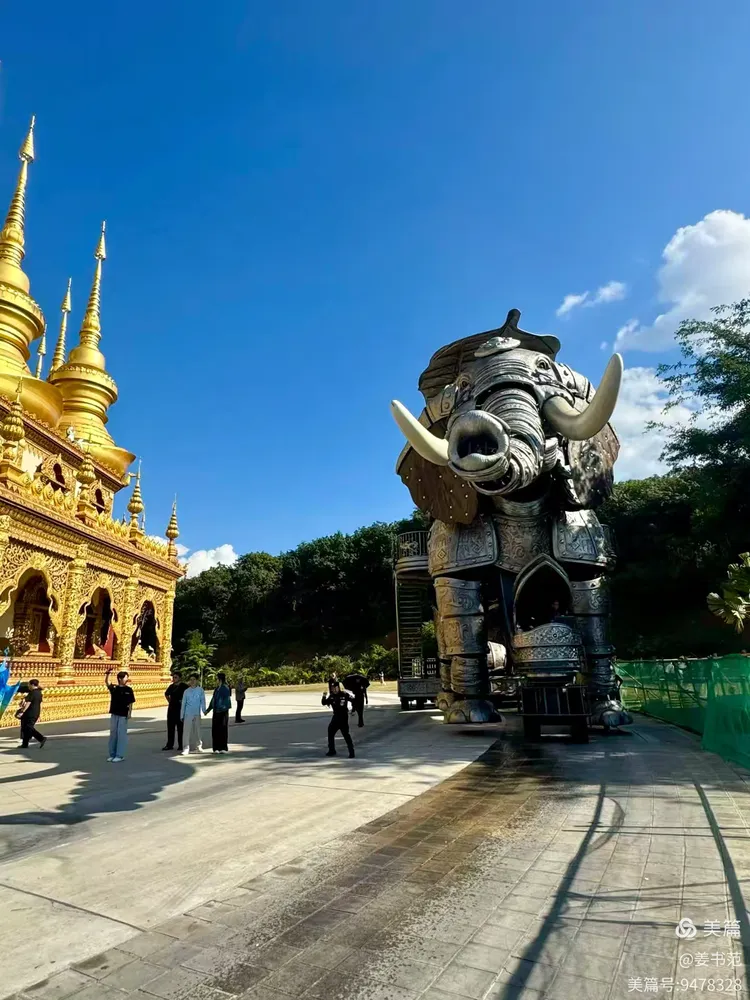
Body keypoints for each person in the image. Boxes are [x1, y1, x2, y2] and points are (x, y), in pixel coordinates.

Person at [105, 667, 135, 762]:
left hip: (123, 714)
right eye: (125, 678)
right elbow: (107, 683)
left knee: (121, 734)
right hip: (114, 713)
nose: (127, 679)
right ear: (120, 679)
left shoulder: (129, 690)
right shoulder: (115, 688)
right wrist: (108, 674)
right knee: (113, 734)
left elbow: (131, 703)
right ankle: (112, 754)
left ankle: (120, 755)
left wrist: (129, 713)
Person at [321, 681, 355, 758]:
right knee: (330, 732)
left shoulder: (344, 694)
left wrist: (353, 709)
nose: (333, 689)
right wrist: (324, 696)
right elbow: (324, 703)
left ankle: (351, 752)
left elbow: (354, 700)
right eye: (332, 688)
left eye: (335, 688)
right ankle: (332, 750)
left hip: (343, 717)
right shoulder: (332, 696)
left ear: (338, 687)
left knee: (346, 734)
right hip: (336, 717)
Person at [180, 673, 206, 755]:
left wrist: (204, 710)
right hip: (188, 713)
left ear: (197, 680)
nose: (192, 681)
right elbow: (183, 703)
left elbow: (203, 701)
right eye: (191, 680)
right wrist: (182, 715)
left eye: (194, 679)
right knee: (186, 732)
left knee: (198, 731)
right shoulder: (186, 691)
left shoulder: (200, 690)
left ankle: (199, 746)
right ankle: (186, 748)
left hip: (196, 713)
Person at [206, 672, 232, 753]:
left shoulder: (225, 688)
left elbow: (226, 700)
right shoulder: (217, 689)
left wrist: (222, 707)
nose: (216, 680)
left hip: (223, 711)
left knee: (222, 729)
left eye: (217, 679)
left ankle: (223, 748)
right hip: (216, 711)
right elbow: (213, 699)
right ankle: (216, 748)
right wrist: (208, 709)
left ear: (220, 679)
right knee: (215, 729)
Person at [163, 669, 188, 752]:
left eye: (176, 677)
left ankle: (181, 745)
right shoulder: (171, 686)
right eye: (173, 677)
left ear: (180, 678)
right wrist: (170, 701)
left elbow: (188, 696)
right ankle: (169, 744)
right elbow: (166, 694)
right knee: (170, 727)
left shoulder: (184, 686)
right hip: (171, 709)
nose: (174, 679)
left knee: (180, 728)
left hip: (180, 709)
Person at [17, 678, 46, 749]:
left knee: (28, 727)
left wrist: (22, 712)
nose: (28, 686)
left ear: (32, 685)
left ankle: (41, 738)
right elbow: (38, 703)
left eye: (29, 685)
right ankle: (25, 744)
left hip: (30, 712)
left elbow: (28, 703)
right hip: (36, 712)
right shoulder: (39, 692)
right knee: (26, 728)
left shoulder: (33, 693)